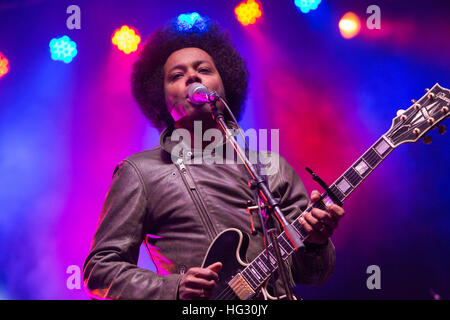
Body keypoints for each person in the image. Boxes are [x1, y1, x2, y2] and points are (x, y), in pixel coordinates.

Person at [82, 14, 345, 300]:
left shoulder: (272, 168)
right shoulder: (140, 172)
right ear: (163, 101)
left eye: (203, 70)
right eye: (176, 75)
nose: (192, 77)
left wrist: (317, 242)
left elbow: (313, 274)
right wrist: (174, 287)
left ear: (225, 85)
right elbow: (100, 270)